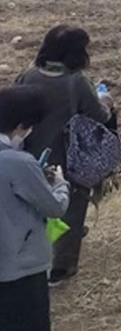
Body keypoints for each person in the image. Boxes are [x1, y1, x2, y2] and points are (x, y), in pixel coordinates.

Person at [15, 25, 114, 285]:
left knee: (34, 204)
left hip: (29, 153)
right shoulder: (76, 82)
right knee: (72, 205)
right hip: (67, 156)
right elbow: (99, 116)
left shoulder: (28, 75)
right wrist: (106, 99)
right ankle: (62, 266)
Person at [0, 85, 70, 331]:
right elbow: (54, 207)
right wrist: (60, 185)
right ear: (20, 126)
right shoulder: (18, 162)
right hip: (21, 268)